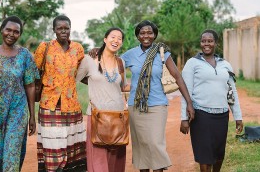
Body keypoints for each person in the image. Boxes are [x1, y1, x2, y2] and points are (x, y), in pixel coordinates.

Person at [89, 20, 195, 172]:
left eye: (150, 33)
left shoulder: (162, 53)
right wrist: (98, 50)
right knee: (141, 145)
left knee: (154, 143)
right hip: (136, 106)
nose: (146, 36)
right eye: (142, 33)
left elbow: (178, 77)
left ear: (154, 35)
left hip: (157, 105)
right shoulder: (130, 54)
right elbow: (110, 62)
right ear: (138, 36)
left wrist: (189, 103)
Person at [0, 15, 39, 171]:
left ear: (20, 35)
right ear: (1, 30)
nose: (11, 34)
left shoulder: (25, 56)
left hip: (18, 112)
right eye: (8, 30)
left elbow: (30, 86)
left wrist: (32, 116)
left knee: (12, 153)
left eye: (16, 32)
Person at [180, 29, 243, 172]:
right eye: (203, 41)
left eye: (210, 41)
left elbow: (232, 94)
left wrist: (238, 117)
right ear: (200, 43)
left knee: (219, 155)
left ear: (216, 43)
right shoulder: (192, 63)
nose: (206, 44)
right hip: (201, 115)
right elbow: (186, 92)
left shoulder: (225, 65)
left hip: (221, 116)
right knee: (205, 156)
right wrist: (184, 118)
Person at [34, 15, 87, 172]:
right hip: (50, 104)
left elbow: (82, 73)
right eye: (60, 28)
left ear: (70, 29)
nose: (63, 31)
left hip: (72, 105)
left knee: (71, 148)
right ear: (54, 30)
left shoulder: (78, 49)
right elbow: (34, 73)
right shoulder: (45, 47)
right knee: (53, 147)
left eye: (66, 28)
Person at [76, 27, 129, 172]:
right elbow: (74, 78)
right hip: (97, 116)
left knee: (115, 161)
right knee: (97, 160)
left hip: (118, 116)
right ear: (105, 39)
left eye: (119, 38)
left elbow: (123, 87)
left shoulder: (121, 62)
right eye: (113, 37)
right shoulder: (89, 60)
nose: (116, 40)